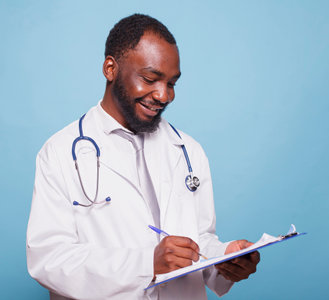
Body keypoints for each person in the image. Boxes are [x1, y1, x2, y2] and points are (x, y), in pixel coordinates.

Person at [26, 14, 260, 300]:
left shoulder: (188, 150)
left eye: (172, 83)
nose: (164, 96)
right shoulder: (60, 151)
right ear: (110, 69)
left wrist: (224, 260)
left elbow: (199, 242)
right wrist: (146, 263)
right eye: (150, 79)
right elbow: (49, 260)